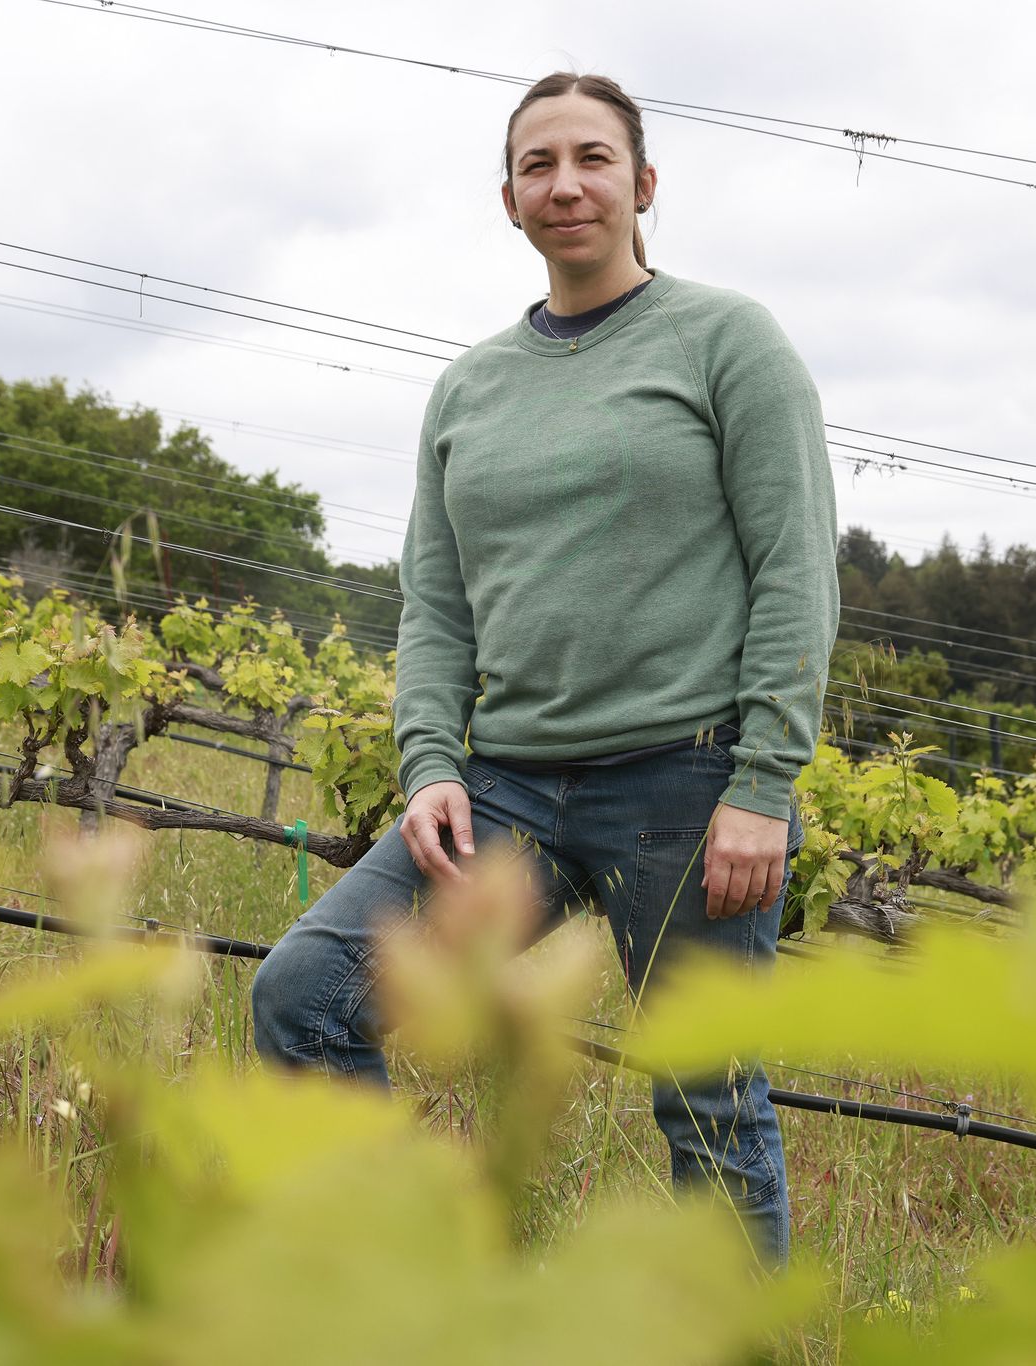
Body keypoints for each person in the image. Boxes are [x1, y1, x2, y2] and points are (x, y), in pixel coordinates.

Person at [250, 70, 839, 1268]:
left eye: (591, 159)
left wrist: (762, 784)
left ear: (642, 185)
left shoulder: (728, 342)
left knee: (708, 1105)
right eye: (536, 165)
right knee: (302, 997)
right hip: (507, 788)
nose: (563, 184)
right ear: (509, 199)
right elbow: (437, 604)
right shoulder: (469, 387)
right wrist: (427, 764)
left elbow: (793, 570)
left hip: (685, 789)